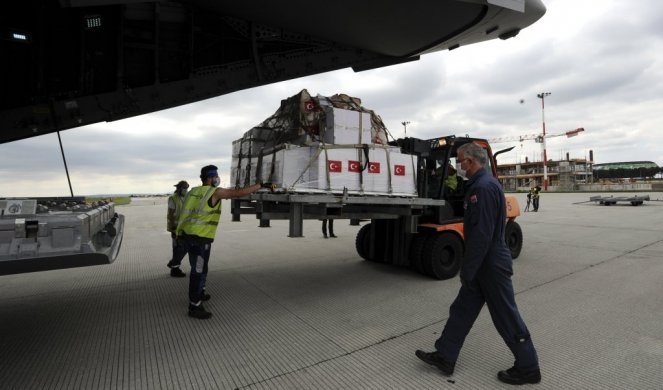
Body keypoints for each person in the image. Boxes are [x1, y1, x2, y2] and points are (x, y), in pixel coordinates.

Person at [415, 142, 541, 385]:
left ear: (470, 161)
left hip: (490, 264)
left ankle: (528, 366)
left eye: (460, 161)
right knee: (461, 310)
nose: (458, 166)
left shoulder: (482, 189)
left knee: (506, 315)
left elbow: (481, 236)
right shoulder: (482, 185)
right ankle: (445, 355)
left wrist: (467, 270)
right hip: (484, 262)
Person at [176, 165, 263, 319]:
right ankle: (194, 306)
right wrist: (259, 185)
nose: (218, 178)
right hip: (199, 240)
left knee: (202, 269)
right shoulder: (214, 192)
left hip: (188, 236)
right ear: (211, 177)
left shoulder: (194, 192)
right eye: (216, 176)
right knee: (197, 271)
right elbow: (236, 193)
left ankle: (200, 293)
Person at [166, 180, 189, 277]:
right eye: (184, 188)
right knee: (177, 249)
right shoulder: (173, 198)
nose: (186, 190)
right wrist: (173, 229)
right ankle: (175, 270)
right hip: (175, 228)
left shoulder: (186, 198)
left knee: (185, 247)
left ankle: (173, 262)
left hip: (184, 228)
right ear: (179, 188)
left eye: (187, 188)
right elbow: (171, 214)